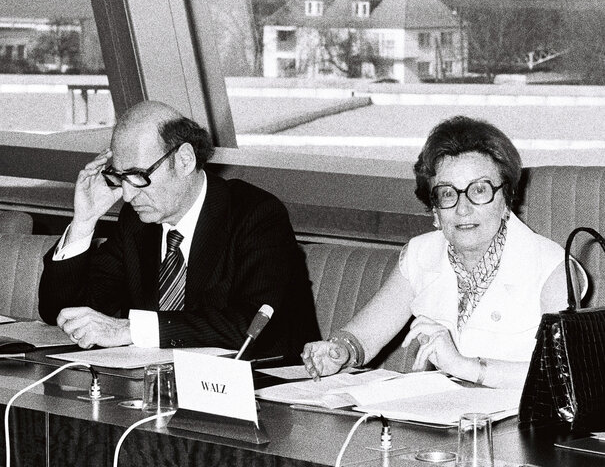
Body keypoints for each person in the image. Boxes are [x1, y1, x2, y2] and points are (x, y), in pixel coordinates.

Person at [302, 116, 585, 388]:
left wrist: (466, 367)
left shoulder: (553, 267)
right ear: (434, 209)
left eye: (479, 190)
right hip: (447, 424)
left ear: (506, 199)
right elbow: (363, 337)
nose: (463, 209)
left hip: (527, 427)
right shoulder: (420, 254)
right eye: (448, 193)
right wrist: (339, 351)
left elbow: (565, 373)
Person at [38, 100, 320, 361]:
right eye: (119, 177)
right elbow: (63, 313)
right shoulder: (136, 223)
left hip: (265, 387)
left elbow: (252, 324)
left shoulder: (256, 214)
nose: (126, 195)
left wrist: (130, 330)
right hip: (161, 386)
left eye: (137, 176)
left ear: (185, 160)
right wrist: (84, 221)